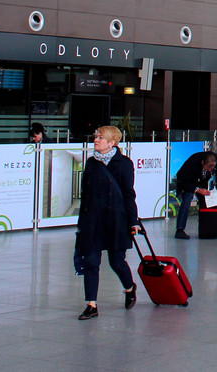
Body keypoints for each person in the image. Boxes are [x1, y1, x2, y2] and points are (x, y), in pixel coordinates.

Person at [73, 126, 139, 320]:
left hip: (116, 220)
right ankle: (91, 305)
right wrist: (81, 222)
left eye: (101, 138)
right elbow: (85, 194)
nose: (96, 140)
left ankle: (129, 288)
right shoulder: (91, 163)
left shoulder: (124, 164)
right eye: (96, 137)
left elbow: (128, 194)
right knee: (91, 262)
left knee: (116, 261)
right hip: (92, 221)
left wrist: (133, 221)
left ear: (112, 143)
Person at [172, 150, 217, 239]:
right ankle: (179, 230)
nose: (210, 170)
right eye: (208, 167)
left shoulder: (216, 160)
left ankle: (208, 228)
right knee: (187, 200)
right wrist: (197, 190)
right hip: (188, 181)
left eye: (212, 168)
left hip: (202, 180)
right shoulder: (192, 163)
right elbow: (183, 180)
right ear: (203, 162)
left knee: (207, 201)